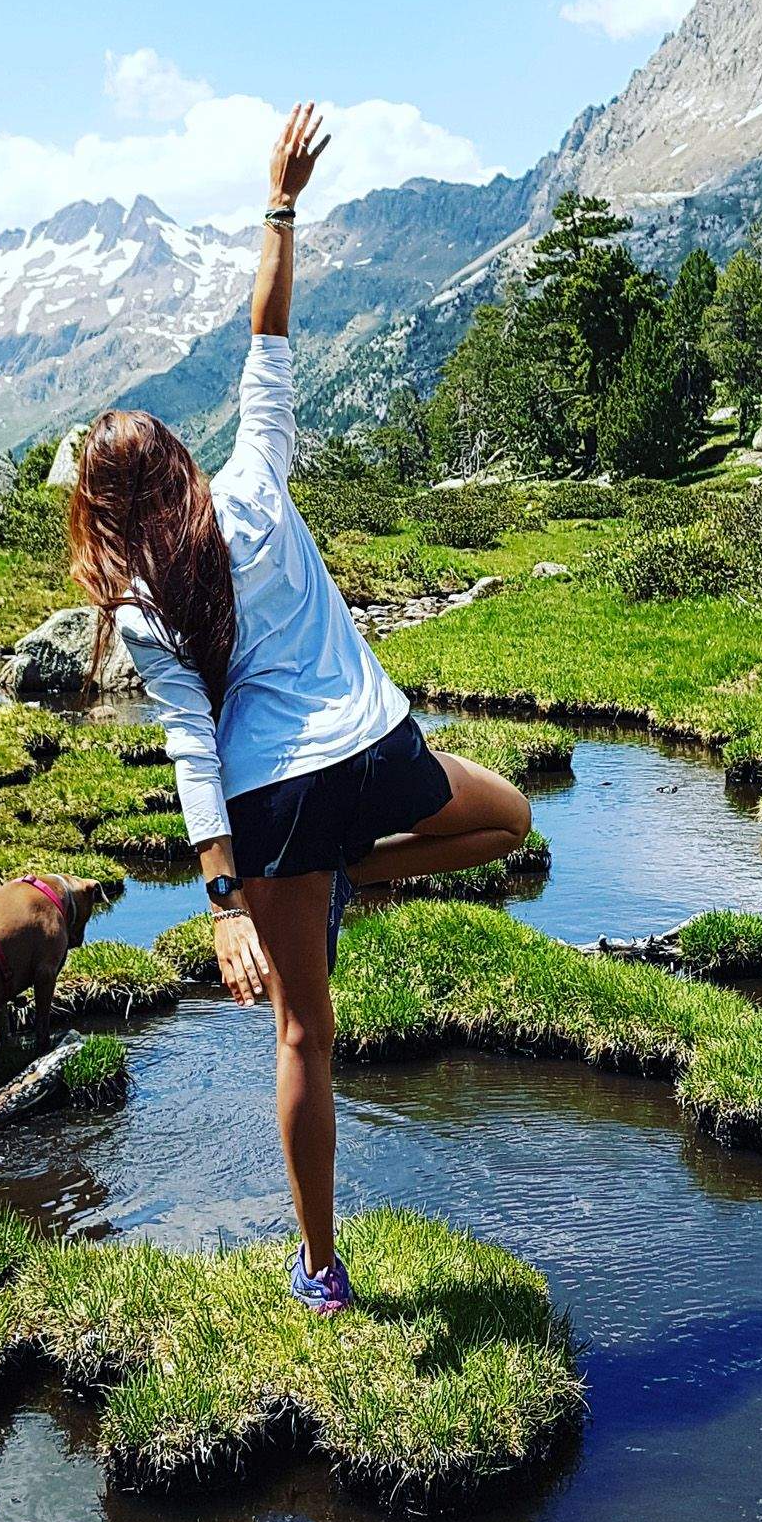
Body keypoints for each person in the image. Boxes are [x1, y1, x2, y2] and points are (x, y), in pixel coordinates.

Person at [65, 104, 532, 1315]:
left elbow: (190, 749)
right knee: (507, 817)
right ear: (180, 462)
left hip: (270, 812)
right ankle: (357, 874)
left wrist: (226, 897)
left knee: (300, 1040)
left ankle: (320, 1271)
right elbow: (268, 326)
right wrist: (280, 195)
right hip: (374, 751)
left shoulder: (142, 609)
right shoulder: (252, 483)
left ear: (105, 516)